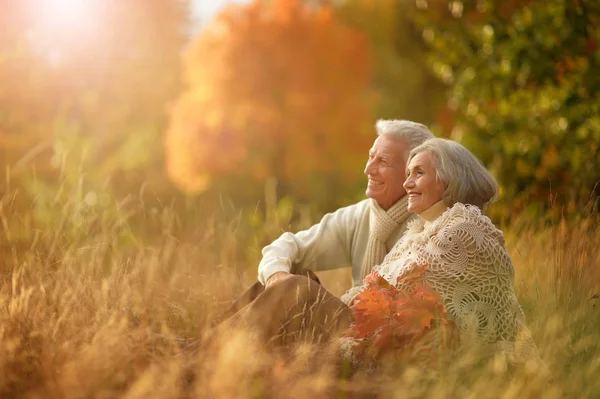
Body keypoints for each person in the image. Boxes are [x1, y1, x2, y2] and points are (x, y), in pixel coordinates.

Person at [220, 138, 539, 370]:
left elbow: (424, 307)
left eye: (418, 173)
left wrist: (366, 304)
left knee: (295, 289)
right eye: (408, 173)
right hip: (374, 330)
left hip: (390, 351)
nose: (407, 183)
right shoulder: (418, 234)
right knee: (291, 282)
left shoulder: (466, 230)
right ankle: (211, 351)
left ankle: (207, 359)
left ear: (449, 181)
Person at [214, 120, 435, 323]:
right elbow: (287, 246)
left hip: (380, 335)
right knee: (295, 276)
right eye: (371, 157)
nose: (368, 169)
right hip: (352, 321)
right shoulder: (359, 215)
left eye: (383, 161)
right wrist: (276, 276)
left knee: (297, 286)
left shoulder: (430, 223)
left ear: (412, 173)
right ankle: (211, 345)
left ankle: (206, 349)